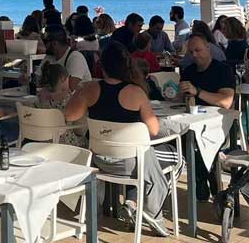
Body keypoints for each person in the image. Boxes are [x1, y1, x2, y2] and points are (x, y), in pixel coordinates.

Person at [64, 41, 176, 236]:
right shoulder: (136, 93)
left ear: (102, 65)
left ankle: (133, 202)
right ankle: (151, 210)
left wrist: (79, 92)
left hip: (100, 160)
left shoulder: (91, 89)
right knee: (176, 158)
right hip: (132, 164)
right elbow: (154, 129)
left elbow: (70, 115)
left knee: (148, 158)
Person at [179, 33, 236, 202]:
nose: (194, 55)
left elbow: (226, 102)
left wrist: (198, 92)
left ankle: (203, 181)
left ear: (207, 48)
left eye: (197, 50)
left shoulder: (222, 70)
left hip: (217, 124)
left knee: (195, 145)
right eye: (191, 52)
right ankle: (205, 178)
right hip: (193, 122)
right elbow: (181, 98)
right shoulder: (189, 71)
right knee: (180, 140)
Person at [33, 27, 92, 91]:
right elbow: (37, 80)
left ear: (54, 43)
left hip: (78, 99)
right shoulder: (49, 57)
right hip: (57, 98)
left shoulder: (75, 57)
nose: (44, 45)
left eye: (45, 42)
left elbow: (70, 88)